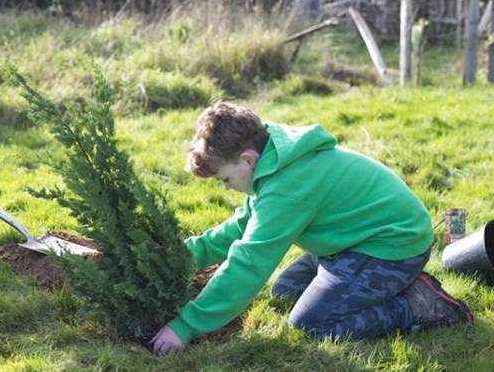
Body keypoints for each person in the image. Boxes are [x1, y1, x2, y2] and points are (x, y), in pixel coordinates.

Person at [150, 102, 472, 354]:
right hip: (352, 240)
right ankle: (389, 286)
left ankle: (415, 306)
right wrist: (179, 257)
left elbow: (249, 261)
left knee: (312, 323)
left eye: (225, 179)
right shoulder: (274, 157)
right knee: (286, 290)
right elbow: (240, 226)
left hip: (392, 245)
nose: (226, 188)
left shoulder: (288, 188)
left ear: (247, 160)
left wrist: (186, 326)